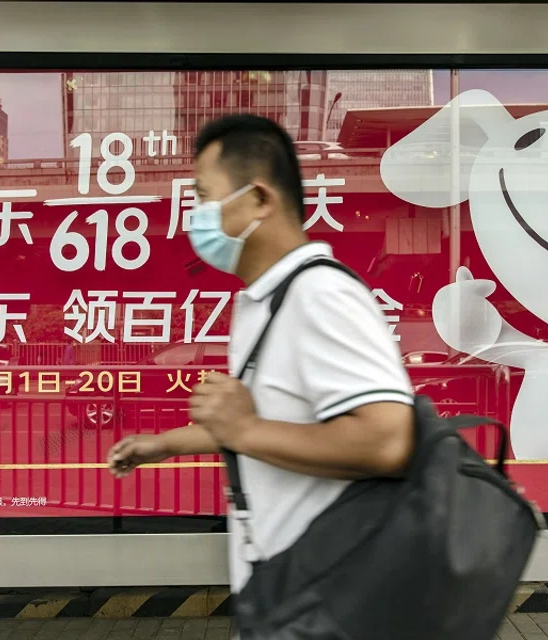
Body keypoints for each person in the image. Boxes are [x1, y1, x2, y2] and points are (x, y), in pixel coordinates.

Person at [107, 115, 415, 601]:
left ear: (259, 199)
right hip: (286, 587)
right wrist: (164, 444)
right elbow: (267, 422)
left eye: (205, 197)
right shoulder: (265, 299)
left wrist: (245, 430)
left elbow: (387, 440)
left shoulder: (320, 294)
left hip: (334, 599)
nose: (196, 215)